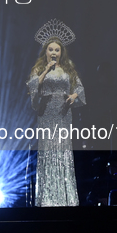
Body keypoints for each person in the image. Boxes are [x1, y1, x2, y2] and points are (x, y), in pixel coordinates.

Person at [27, 19, 86, 207]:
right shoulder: (38, 69)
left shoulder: (68, 70)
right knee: (48, 152)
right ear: (45, 51)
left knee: (63, 152)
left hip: (63, 114)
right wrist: (45, 71)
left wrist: (73, 96)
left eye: (57, 50)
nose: (54, 52)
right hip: (46, 114)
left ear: (62, 52)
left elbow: (81, 89)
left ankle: (65, 200)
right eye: (50, 49)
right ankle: (47, 200)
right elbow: (33, 88)